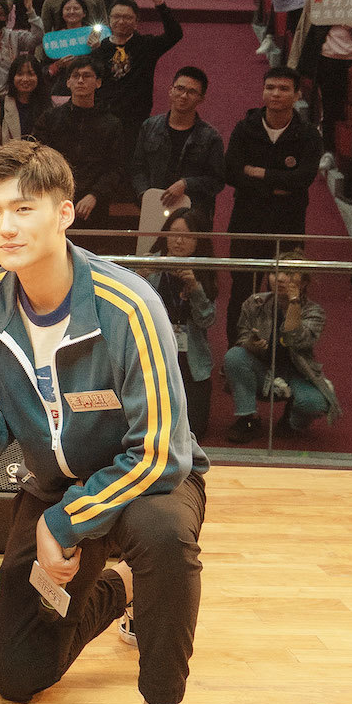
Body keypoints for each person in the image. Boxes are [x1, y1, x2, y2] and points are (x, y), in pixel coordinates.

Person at [0, 141, 208, 704]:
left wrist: (63, 523)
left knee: (163, 536)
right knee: (14, 673)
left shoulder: (129, 305)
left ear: (64, 213)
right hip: (51, 485)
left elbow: (161, 452)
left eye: (23, 209)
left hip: (148, 480)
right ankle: (118, 592)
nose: (6, 227)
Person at [222, 67, 323, 342]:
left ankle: (286, 352)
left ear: (297, 95)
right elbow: (231, 172)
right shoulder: (245, 128)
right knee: (242, 291)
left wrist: (260, 173)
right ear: (263, 91)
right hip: (247, 222)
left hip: (288, 225)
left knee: (288, 292)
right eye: (270, 87)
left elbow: (303, 179)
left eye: (284, 89)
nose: (276, 94)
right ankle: (237, 349)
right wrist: (277, 185)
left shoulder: (308, 135)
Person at [223, 271, 339, 443]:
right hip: (263, 370)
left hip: (298, 373)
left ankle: (292, 423)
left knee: (314, 403)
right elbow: (242, 336)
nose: (279, 278)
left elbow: (297, 341)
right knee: (234, 356)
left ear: (304, 283)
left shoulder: (314, 312)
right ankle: (248, 419)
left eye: (289, 273)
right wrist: (251, 344)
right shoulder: (256, 302)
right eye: (274, 272)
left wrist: (294, 303)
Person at [147, 208, 218, 442]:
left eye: (186, 236)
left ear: (198, 241)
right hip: (156, 355)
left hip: (191, 359)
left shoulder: (204, 270)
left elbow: (207, 320)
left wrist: (196, 289)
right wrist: (141, 275)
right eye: (173, 233)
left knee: (195, 430)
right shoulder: (150, 265)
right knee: (155, 428)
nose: (178, 241)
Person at [33, 60, 130, 226]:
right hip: (54, 201)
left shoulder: (112, 124)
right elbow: (38, 159)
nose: (80, 81)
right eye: (75, 76)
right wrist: (56, 193)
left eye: (87, 76)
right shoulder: (50, 119)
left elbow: (117, 168)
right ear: (68, 82)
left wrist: (95, 195)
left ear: (98, 82)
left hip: (94, 206)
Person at [127, 67, 226, 223]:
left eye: (192, 92)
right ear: (170, 90)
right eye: (180, 88)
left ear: (201, 98)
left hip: (194, 214)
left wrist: (186, 184)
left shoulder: (211, 137)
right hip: (153, 208)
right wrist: (146, 194)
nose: (184, 96)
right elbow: (137, 168)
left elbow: (217, 181)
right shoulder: (149, 126)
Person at [87, 0, 182, 139]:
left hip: (137, 120)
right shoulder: (100, 49)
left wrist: (160, 3)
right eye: (116, 17)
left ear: (137, 22)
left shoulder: (146, 45)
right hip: (104, 120)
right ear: (109, 20)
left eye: (127, 17)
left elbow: (175, 34)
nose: (121, 21)